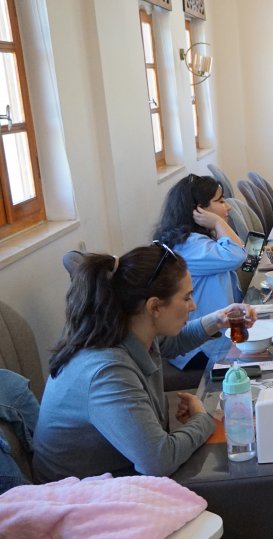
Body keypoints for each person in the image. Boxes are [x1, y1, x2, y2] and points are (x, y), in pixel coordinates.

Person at [32, 244, 256, 482]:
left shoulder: (128, 327)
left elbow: (174, 342)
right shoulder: (108, 372)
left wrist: (219, 319)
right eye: (186, 297)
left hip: (117, 472)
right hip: (77, 492)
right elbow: (159, 460)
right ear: (155, 307)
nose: (194, 306)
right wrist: (203, 418)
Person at [153, 174, 246, 369]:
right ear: (199, 210)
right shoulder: (189, 245)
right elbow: (237, 255)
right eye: (220, 201)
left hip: (210, 334)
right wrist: (218, 222)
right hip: (198, 347)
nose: (227, 207)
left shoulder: (192, 239)